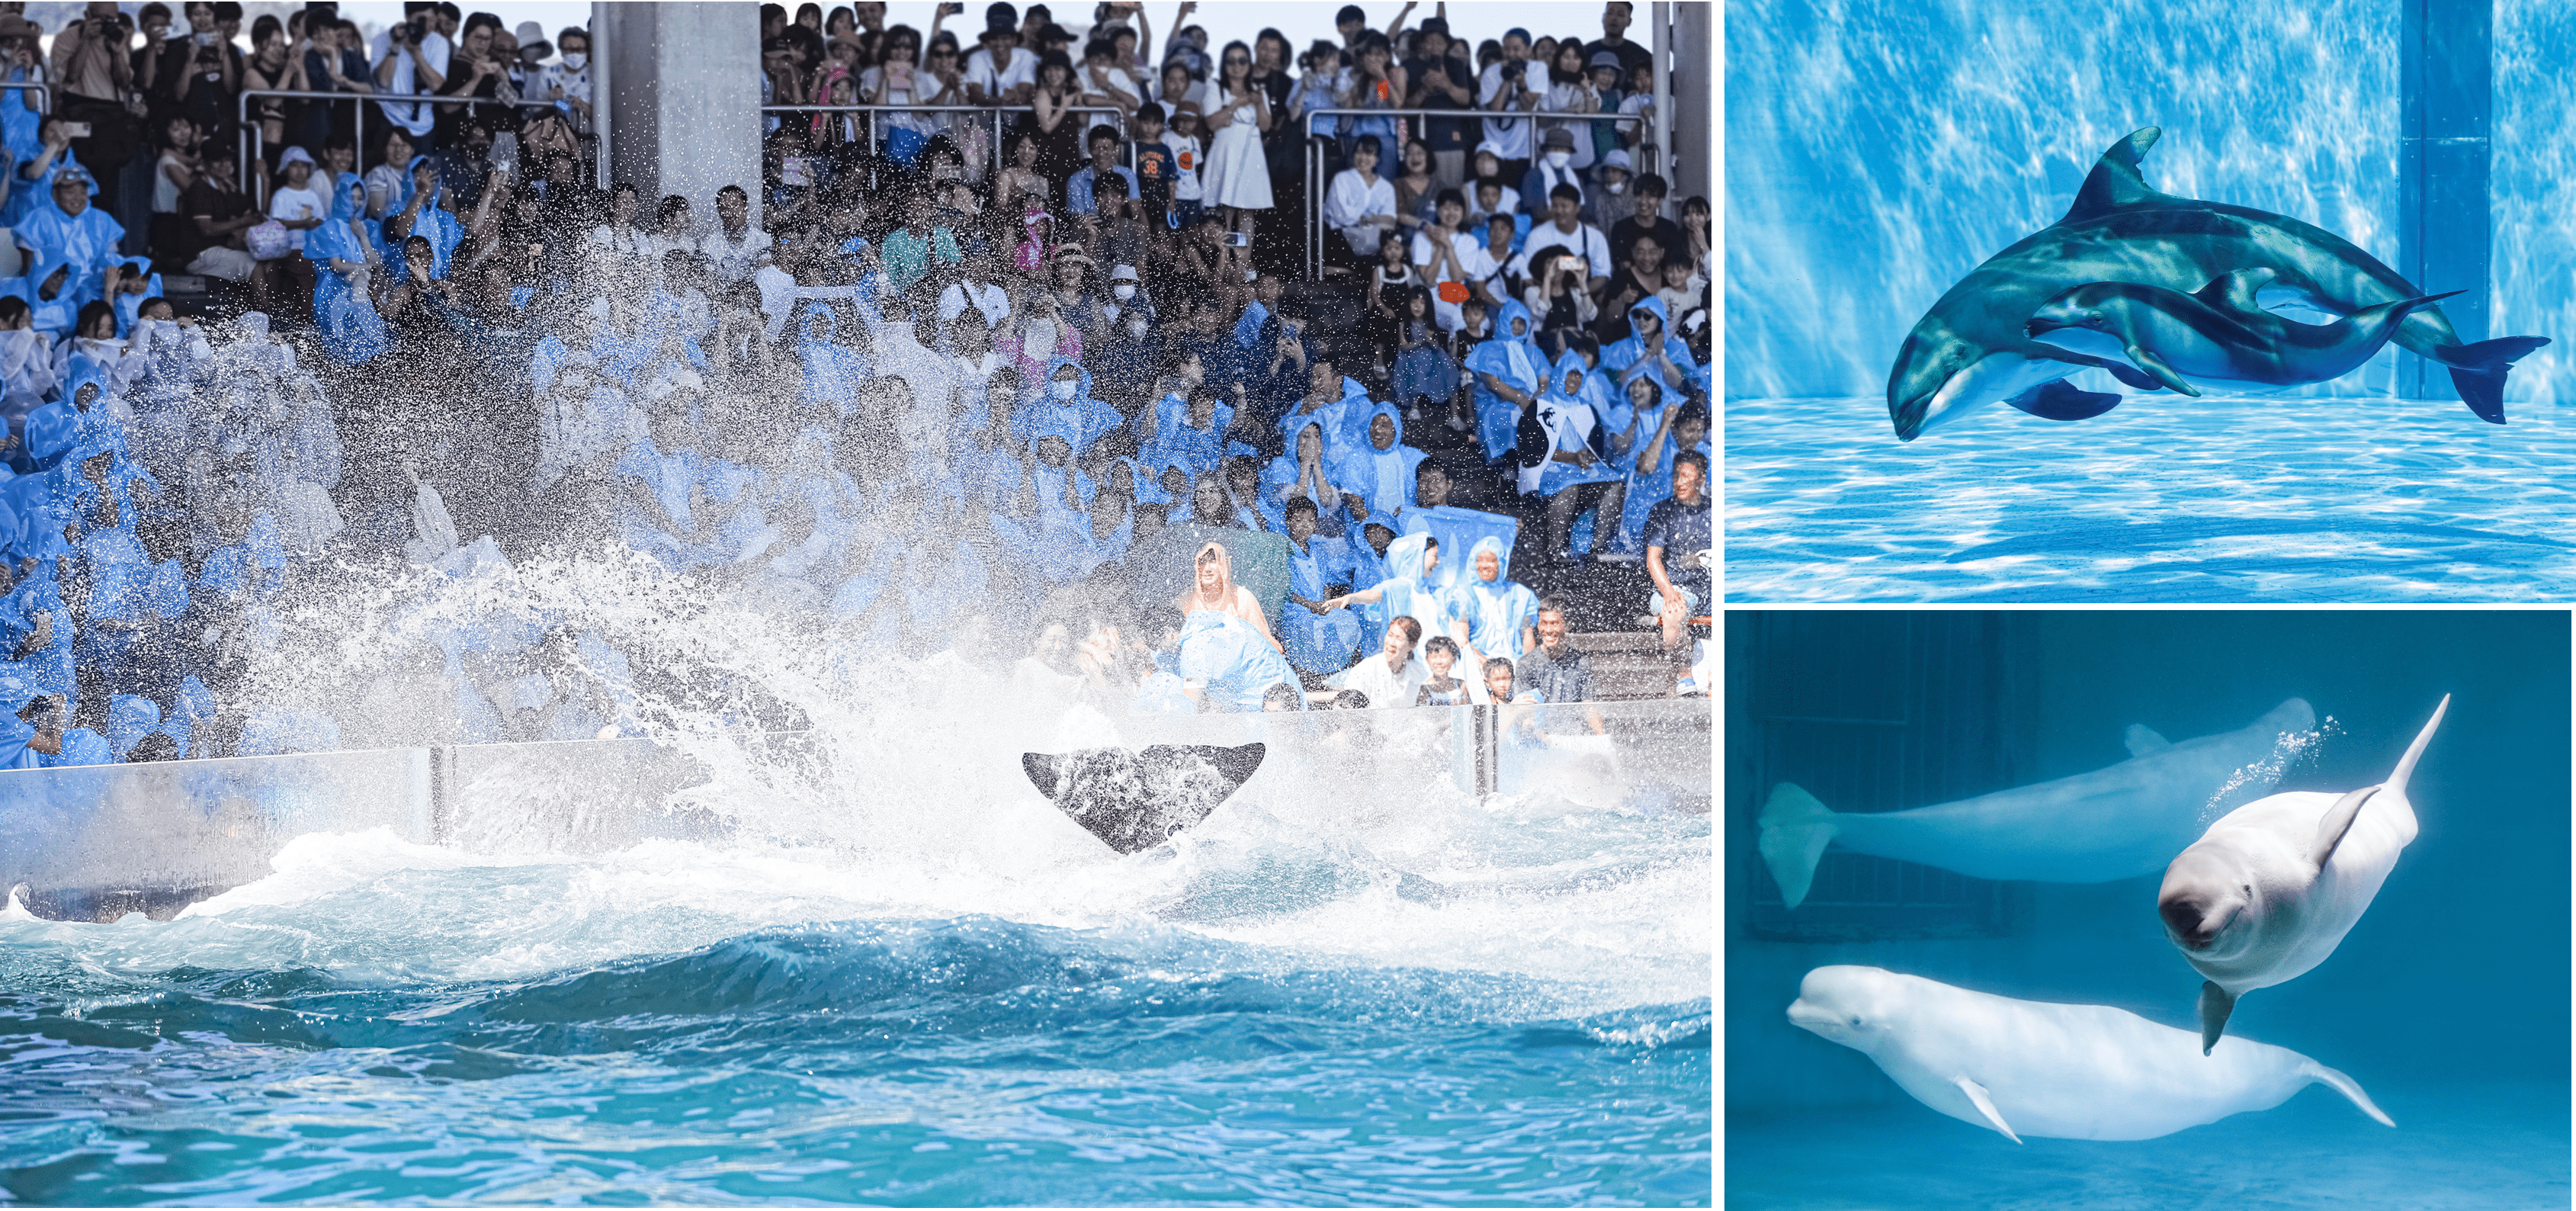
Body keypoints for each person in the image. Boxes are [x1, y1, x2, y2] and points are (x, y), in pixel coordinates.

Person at [1198, 40, 1272, 244]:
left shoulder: (1257, 89)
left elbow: (1265, 126)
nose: (1237, 65)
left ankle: (1243, 264)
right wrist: (1238, 103)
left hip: (1251, 154)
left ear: (1249, 64)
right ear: (1224, 64)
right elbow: (1212, 123)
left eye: (1242, 60)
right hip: (1225, 152)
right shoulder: (1215, 87)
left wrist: (1258, 103)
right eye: (1231, 61)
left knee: (1247, 210)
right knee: (1225, 210)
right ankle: (1224, 261)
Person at [1278, 496, 1360, 674]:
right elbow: (1284, 590)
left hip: (1318, 607)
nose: (1304, 526)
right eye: (1298, 520)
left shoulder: (1318, 550)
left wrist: (1325, 604)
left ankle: (1332, 671)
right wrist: (1309, 606)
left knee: (1348, 620)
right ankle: (1308, 673)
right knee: (1306, 625)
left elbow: (1326, 582)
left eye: (1310, 521)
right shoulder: (1282, 550)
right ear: (1287, 522)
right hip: (1296, 609)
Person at [1642, 448, 1706, 656]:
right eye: (1675, 476)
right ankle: (1682, 674)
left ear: (1702, 478)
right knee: (1673, 610)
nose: (1678, 482)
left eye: (1685, 476)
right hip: (1673, 589)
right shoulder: (1661, 512)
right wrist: (1669, 593)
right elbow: (1653, 558)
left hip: (1709, 592)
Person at [1173, 539, 1282, 654]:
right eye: (1203, 562)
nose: (1207, 569)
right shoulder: (1187, 599)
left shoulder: (1242, 598)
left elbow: (1261, 641)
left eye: (1213, 561)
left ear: (1224, 566)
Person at [1446, 533, 1537, 663]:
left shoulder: (1520, 594)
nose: (1485, 565)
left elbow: (1527, 637)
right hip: (1476, 664)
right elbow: (1461, 640)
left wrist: (1527, 667)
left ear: (1501, 563)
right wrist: (1487, 666)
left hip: (1514, 663)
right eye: (1480, 560)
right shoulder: (1463, 595)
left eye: (1491, 560)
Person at [1516, 183, 1611, 300]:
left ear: (1577, 208)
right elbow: (1527, 276)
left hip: (1582, 297)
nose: (1559, 211)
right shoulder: (1537, 236)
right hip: (1545, 299)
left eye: (1564, 206)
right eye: (1555, 206)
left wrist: (1578, 295)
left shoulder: (1595, 237)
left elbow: (1601, 277)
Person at [1475, 27, 1538, 185]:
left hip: (1522, 151)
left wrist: (1522, 84)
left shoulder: (1535, 73)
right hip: (1494, 150)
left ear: (1528, 51)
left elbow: (1529, 108)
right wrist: (1506, 80)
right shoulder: (1490, 75)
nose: (1511, 54)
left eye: (1516, 49)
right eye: (1507, 49)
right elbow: (1495, 111)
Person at [1322, 134, 1398, 265]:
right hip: (1343, 238)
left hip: (1374, 240)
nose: (1363, 158)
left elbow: (1390, 221)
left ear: (1377, 159)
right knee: (1374, 265)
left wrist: (1367, 220)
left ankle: (1348, 270)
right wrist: (1374, 219)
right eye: (1359, 152)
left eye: (1369, 154)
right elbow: (1342, 216)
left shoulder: (1386, 187)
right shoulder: (1341, 179)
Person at [1330, 613, 1423, 708]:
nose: (1391, 643)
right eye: (1390, 635)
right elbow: (1345, 708)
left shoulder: (1417, 672)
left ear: (1412, 645)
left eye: (1399, 638)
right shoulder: (1366, 669)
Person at [1065, 124, 1139, 220]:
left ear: (1116, 149)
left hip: (1122, 231)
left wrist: (1142, 232)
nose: (1101, 154)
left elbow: (1136, 211)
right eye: (1096, 148)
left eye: (1106, 148)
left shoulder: (1127, 174)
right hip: (1090, 231)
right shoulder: (1076, 181)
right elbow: (1077, 221)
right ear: (1089, 149)